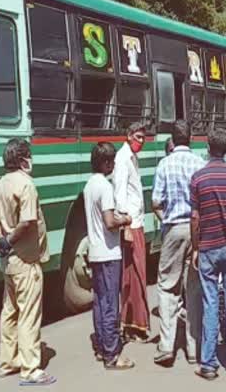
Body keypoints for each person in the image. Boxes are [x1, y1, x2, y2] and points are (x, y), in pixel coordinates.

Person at [0, 138, 55, 385]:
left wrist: (2, 241)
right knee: (29, 313)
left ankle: (8, 361)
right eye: (29, 155)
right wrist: (11, 241)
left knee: (10, 311)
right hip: (26, 259)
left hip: (9, 261)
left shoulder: (0, 185)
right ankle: (31, 368)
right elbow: (28, 222)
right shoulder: (26, 185)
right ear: (23, 159)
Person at [190, 127, 226, 380]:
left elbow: (195, 218)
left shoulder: (198, 179)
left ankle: (209, 364)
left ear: (207, 147)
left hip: (208, 248)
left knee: (210, 304)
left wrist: (195, 247)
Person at [152, 121, 206, 366]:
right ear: (191, 137)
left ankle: (166, 346)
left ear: (172, 139)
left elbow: (156, 202)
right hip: (196, 230)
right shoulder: (199, 164)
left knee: (167, 287)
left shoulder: (164, 164)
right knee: (193, 288)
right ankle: (194, 349)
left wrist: (167, 222)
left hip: (174, 229)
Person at [85, 142, 135, 370]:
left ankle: (102, 346)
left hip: (95, 251)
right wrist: (124, 219)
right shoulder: (105, 187)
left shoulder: (89, 185)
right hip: (108, 252)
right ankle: (113, 354)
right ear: (106, 163)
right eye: (112, 162)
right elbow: (109, 221)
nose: (114, 165)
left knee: (99, 301)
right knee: (110, 304)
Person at [114, 122, 150, 343]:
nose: (141, 141)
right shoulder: (122, 159)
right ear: (128, 136)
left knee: (138, 274)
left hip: (136, 222)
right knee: (133, 275)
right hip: (131, 224)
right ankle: (132, 324)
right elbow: (120, 194)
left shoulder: (131, 158)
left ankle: (136, 323)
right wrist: (126, 225)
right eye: (138, 137)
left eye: (143, 137)